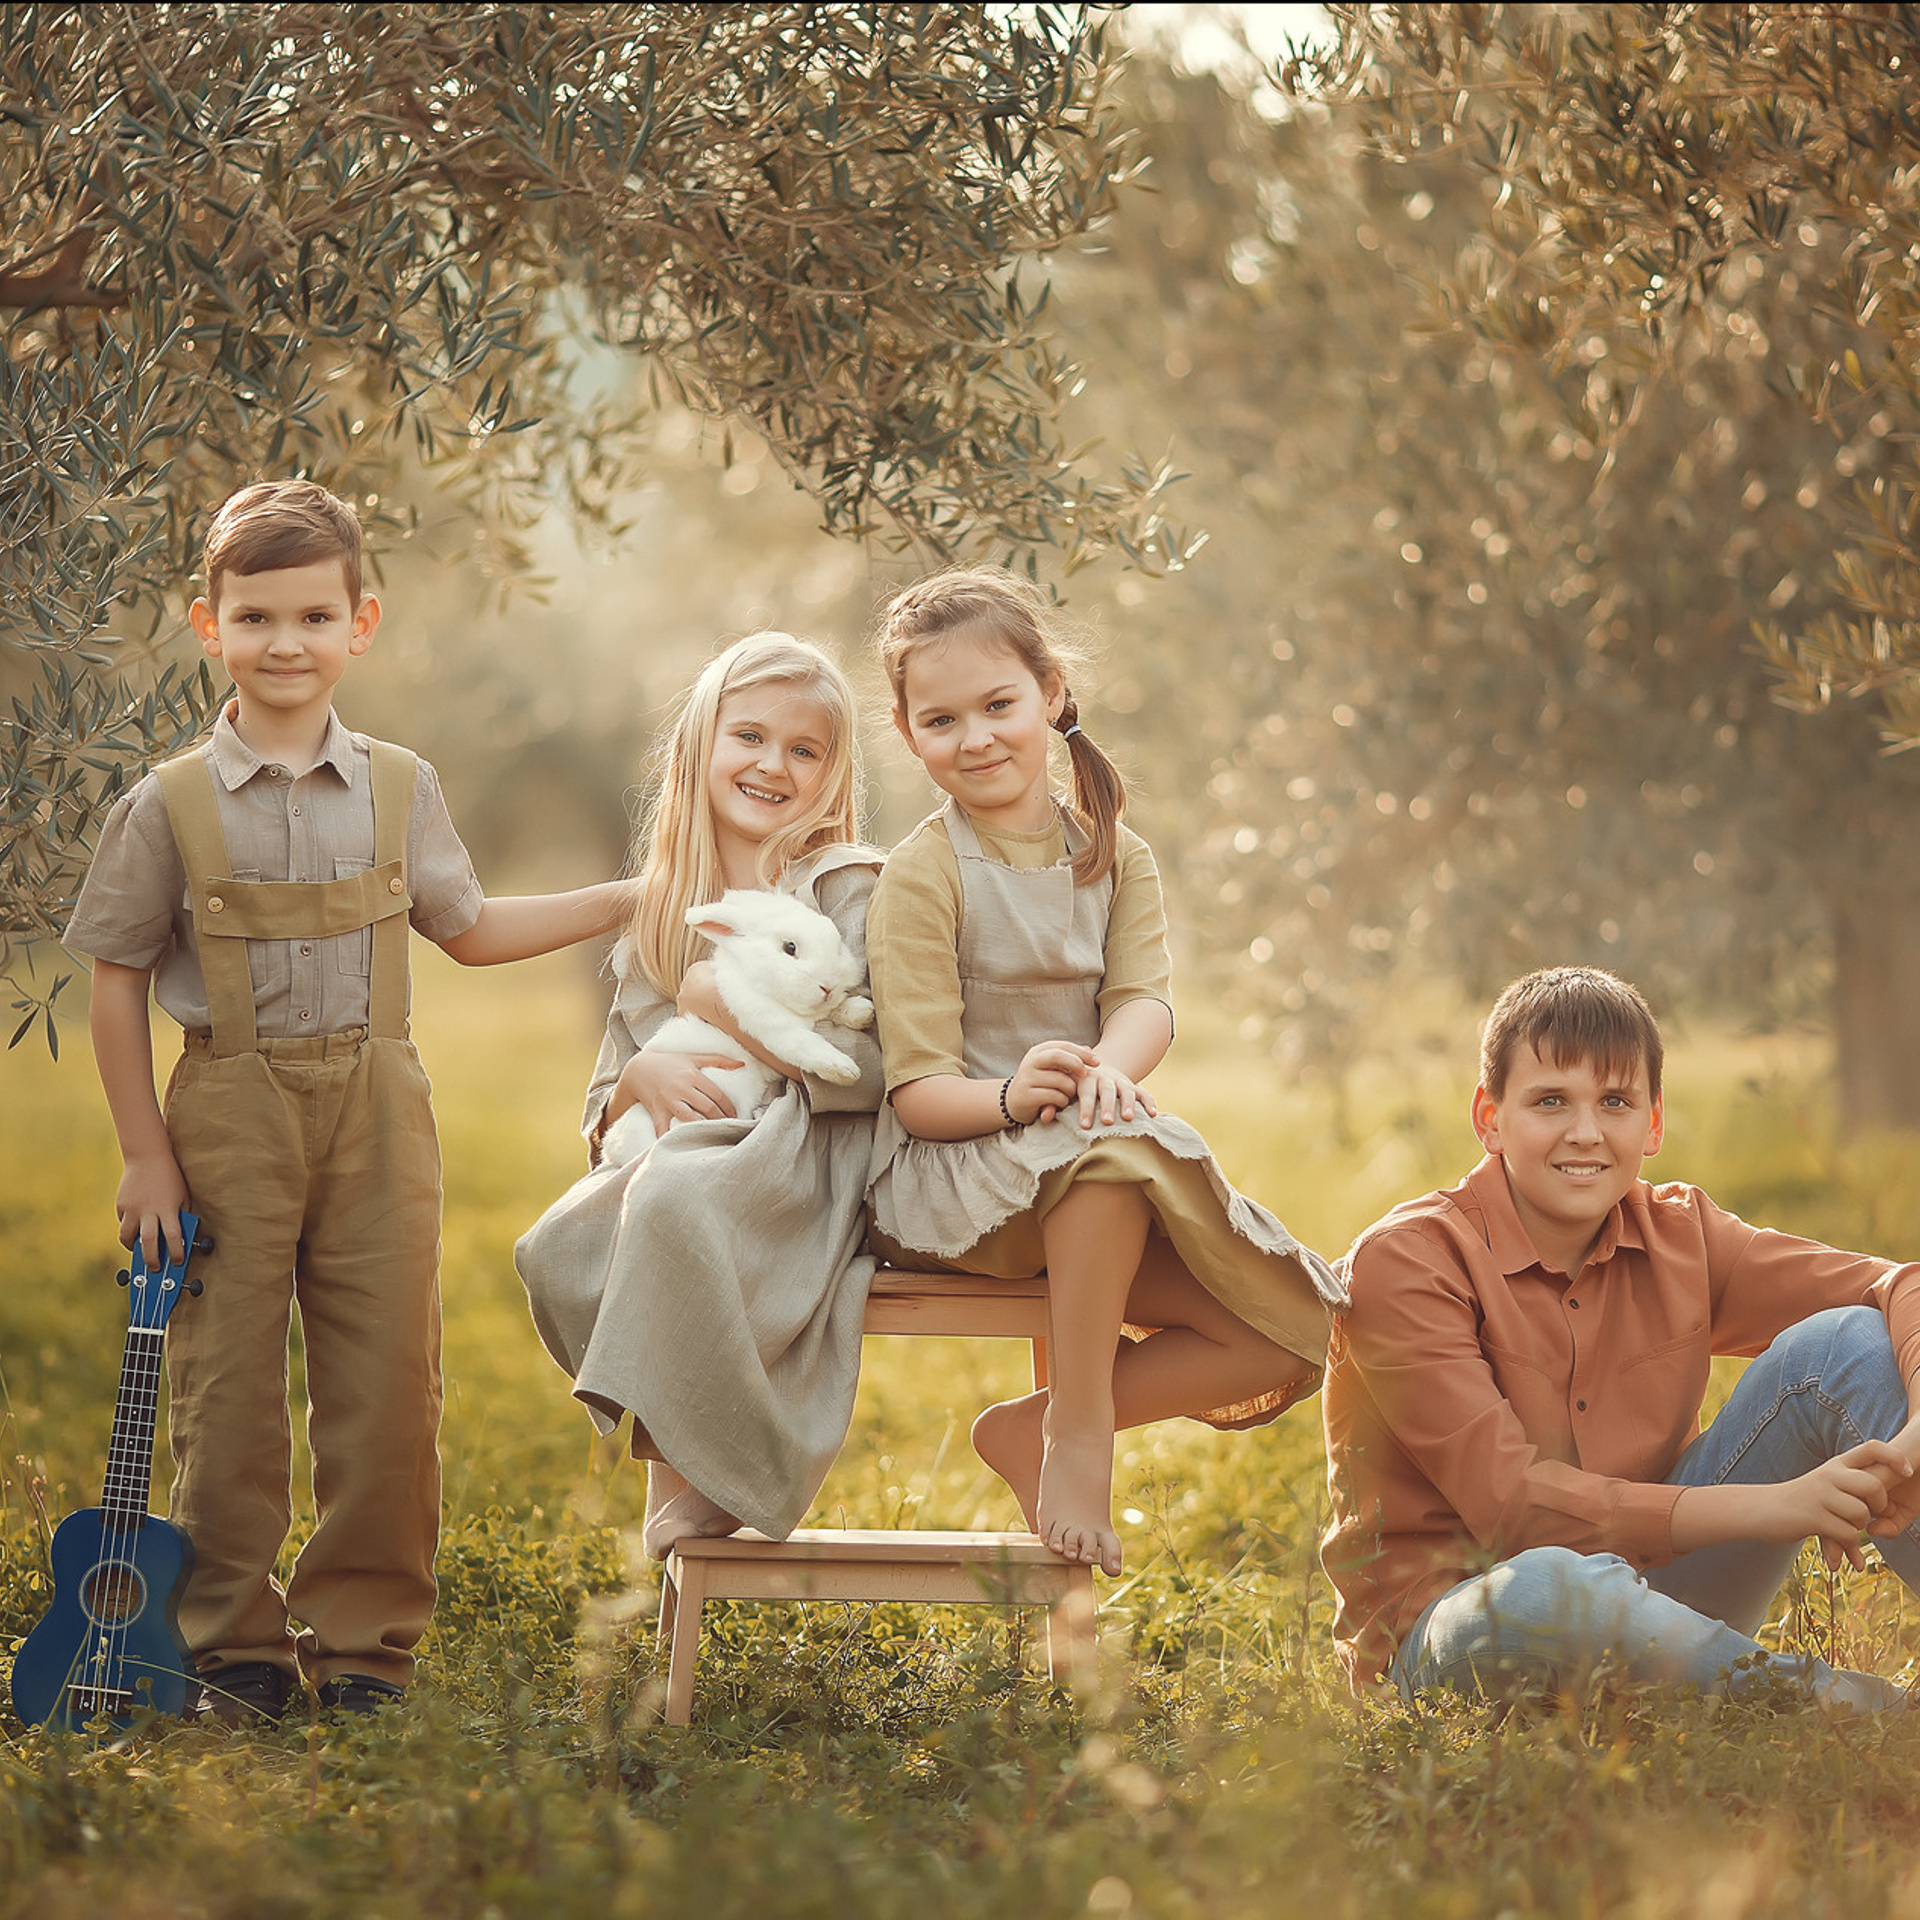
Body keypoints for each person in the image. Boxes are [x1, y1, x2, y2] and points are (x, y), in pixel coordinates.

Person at [64, 480, 634, 1725]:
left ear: (360, 625)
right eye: (256, 616)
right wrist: (145, 1155)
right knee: (226, 1387)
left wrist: (628, 897)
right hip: (225, 1112)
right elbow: (114, 985)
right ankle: (236, 1645)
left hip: (380, 1105)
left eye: (314, 616)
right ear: (209, 625)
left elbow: (468, 930)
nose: (287, 641)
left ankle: (367, 1647)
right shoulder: (166, 803)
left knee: (388, 1379)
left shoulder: (399, 786)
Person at [865, 566, 1346, 1578]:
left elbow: (1144, 1004)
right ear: (909, 735)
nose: (976, 738)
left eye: (998, 705)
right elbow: (919, 1094)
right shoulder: (924, 873)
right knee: (1104, 1162)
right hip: (957, 1183)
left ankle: (1031, 1426)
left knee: (1290, 1326)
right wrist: (1013, 1095)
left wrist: (1100, 1075)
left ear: (1051, 694)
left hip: (1091, 1157)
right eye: (942, 721)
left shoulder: (1119, 857)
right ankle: (1078, 1442)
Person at [1323, 964, 1920, 1712]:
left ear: (1653, 1122)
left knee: (1847, 1343)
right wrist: (1780, 1506)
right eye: (1550, 1101)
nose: (1586, 1132)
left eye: (1614, 1101)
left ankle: (1718, 1676)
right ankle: (1870, 1714)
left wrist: (1914, 1434)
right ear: (1490, 1117)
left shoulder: (1682, 1234)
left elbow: (1896, 1285)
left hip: (1660, 1597)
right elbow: (1516, 1513)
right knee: (1547, 1585)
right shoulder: (1408, 1263)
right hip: (1466, 1630)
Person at [515, 633, 885, 1561]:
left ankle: (725, 1470)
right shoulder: (670, 912)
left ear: (833, 771)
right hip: (681, 1145)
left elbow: (885, 1067)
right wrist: (632, 1084)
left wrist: (726, 1009)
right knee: (557, 1244)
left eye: (804, 750)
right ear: (702, 743)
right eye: (750, 737)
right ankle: (678, 1449)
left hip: (802, 1155)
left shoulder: (848, 889)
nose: (773, 765)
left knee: (674, 1200)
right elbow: (611, 1084)